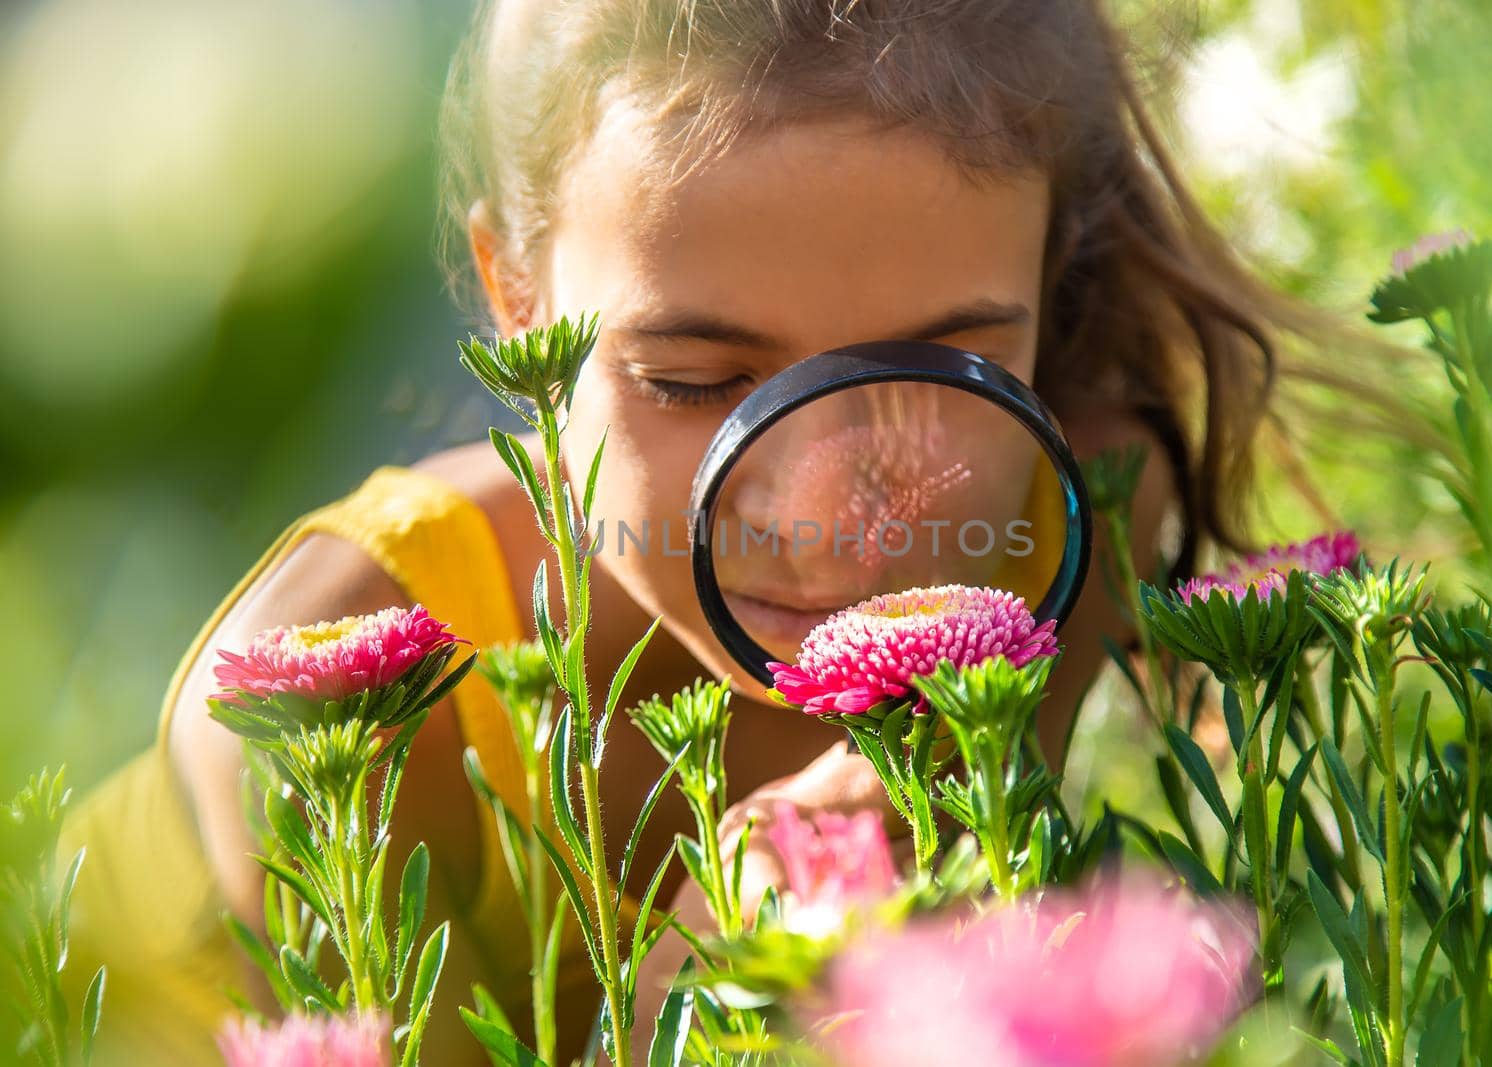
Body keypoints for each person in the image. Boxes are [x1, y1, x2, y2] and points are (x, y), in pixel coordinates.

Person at [61, 0, 1306, 1061]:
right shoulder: (342, 701)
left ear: (1052, 277)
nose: (829, 515)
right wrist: (688, 1016)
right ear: (518, 298)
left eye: (943, 369)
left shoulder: (1069, 510)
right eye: (697, 380)